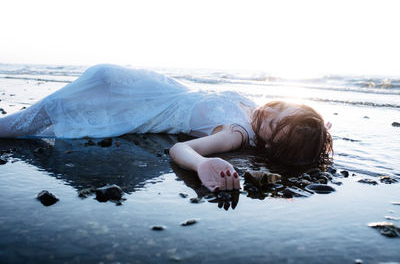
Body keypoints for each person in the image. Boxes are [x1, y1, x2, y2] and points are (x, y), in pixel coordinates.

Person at [0, 64, 333, 191]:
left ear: (271, 146)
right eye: (278, 106)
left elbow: (180, 149)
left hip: (122, 102)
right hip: (138, 86)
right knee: (21, 121)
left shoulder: (237, 132)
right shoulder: (251, 108)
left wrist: (203, 163)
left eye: (273, 125)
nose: (267, 112)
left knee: (13, 127)